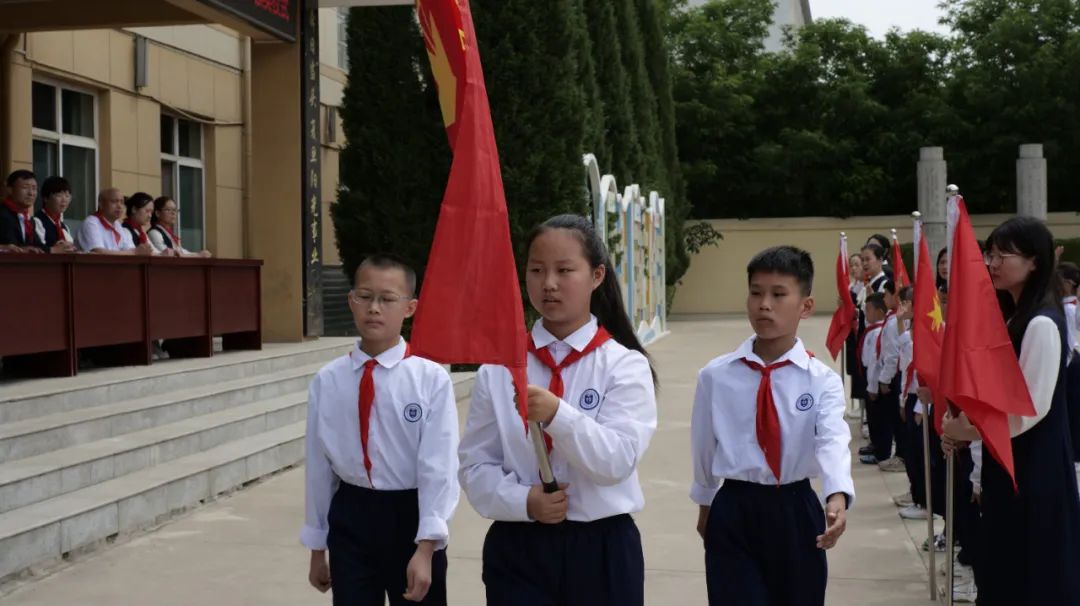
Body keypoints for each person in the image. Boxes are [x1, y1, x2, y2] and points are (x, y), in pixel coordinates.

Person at [459, 214, 657, 606]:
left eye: (565, 270)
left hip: (601, 547)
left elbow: (616, 461)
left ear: (597, 276)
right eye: (536, 270)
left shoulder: (624, 364)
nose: (548, 283)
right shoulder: (500, 368)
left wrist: (557, 415)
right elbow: (475, 465)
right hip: (519, 546)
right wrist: (522, 502)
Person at [691, 245, 853, 606]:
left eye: (779, 295)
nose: (764, 304)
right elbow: (703, 444)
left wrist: (837, 494)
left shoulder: (820, 380)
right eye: (756, 293)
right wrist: (705, 505)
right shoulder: (716, 375)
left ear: (805, 306)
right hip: (734, 507)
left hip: (795, 509)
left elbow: (832, 439)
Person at [302, 254, 459, 605]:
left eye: (387, 299)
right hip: (352, 516)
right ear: (351, 301)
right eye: (365, 296)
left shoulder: (430, 379)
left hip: (410, 517)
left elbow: (440, 468)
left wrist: (426, 548)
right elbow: (319, 467)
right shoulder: (328, 380)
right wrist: (317, 546)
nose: (374, 308)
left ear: (410, 308)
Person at [942, 216, 1080, 604]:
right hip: (1009, 468)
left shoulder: (1041, 324)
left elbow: (1027, 411)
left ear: (1035, 261)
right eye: (991, 253)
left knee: (1031, 575)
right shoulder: (1012, 316)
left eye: (1005, 254)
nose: (994, 262)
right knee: (1005, 570)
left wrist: (964, 431)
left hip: (1034, 474)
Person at [0, 170, 72, 253]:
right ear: (10, 190)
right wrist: (52, 250)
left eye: (34, 188)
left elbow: (36, 246)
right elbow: (13, 246)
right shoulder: (3, 214)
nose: (31, 193)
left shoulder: (28, 219)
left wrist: (57, 247)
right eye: (25, 187)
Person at [875, 280, 905, 473]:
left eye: (886, 294)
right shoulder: (892, 318)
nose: (883, 298)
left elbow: (893, 354)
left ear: (896, 296)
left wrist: (885, 379)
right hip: (893, 375)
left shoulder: (895, 322)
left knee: (898, 420)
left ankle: (901, 456)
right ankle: (899, 454)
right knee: (896, 420)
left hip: (894, 377)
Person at [78, 188, 153, 255]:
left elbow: (128, 249)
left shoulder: (117, 225)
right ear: (101, 204)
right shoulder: (91, 223)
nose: (119, 206)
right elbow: (98, 252)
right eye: (114, 201)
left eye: (122, 202)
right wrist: (135, 252)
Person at [859, 293, 887, 465]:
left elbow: (875, 361)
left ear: (879, 311)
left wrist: (873, 386)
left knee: (879, 421)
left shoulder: (878, 332)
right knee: (873, 418)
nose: (865, 313)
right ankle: (876, 446)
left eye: (868, 310)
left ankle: (881, 452)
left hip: (874, 382)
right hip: (869, 379)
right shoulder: (872, 330)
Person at [34, 176, 77, 250]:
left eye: (67, 196)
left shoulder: (64, 226)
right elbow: (40, 249)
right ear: (46, 198)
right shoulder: (37, 221)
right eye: (59, 195)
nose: (64, 200)